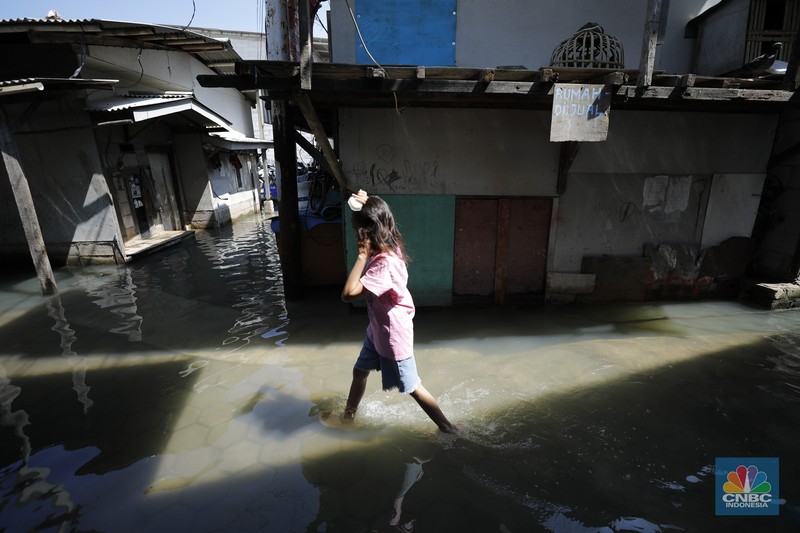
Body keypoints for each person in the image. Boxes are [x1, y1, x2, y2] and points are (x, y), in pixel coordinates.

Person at [341, 190, 456, 433]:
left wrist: (361, 256)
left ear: (367, 232)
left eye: (356, 229)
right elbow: (377, 215)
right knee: (359, 370)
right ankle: (347, 417)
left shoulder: (384, 262)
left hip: (393, 336)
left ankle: (448, 428)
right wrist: (364, 202)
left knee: (412, 386)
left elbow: (348, 293)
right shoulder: (387, 245)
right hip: (377, 330)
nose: (355, 234)